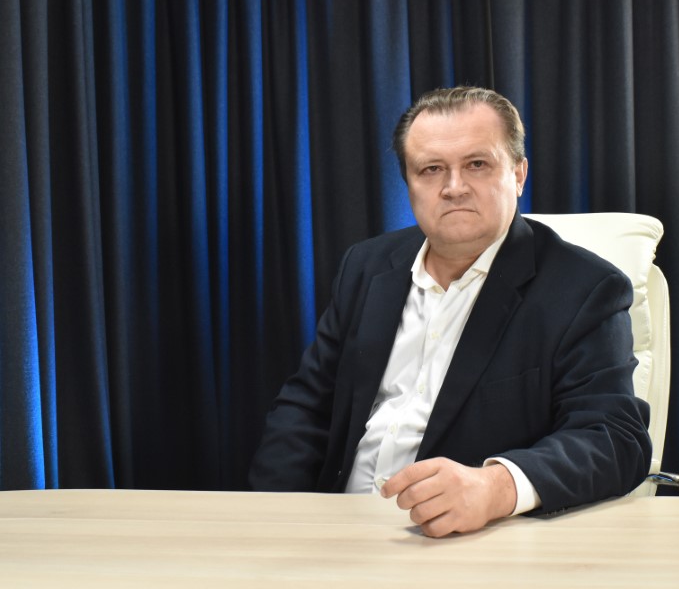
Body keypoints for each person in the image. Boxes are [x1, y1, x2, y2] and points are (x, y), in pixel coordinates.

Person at [249, 86, 652, 537]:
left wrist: (495, 487)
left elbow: (614, 438)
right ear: (409, 183)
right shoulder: (365, 266)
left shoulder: (585, 289)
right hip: (332, 530)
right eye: (432, 169)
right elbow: (305, 407)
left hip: (458, 542)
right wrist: (274, 516)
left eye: (477, 164)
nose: (454, 187)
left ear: (518, 174)